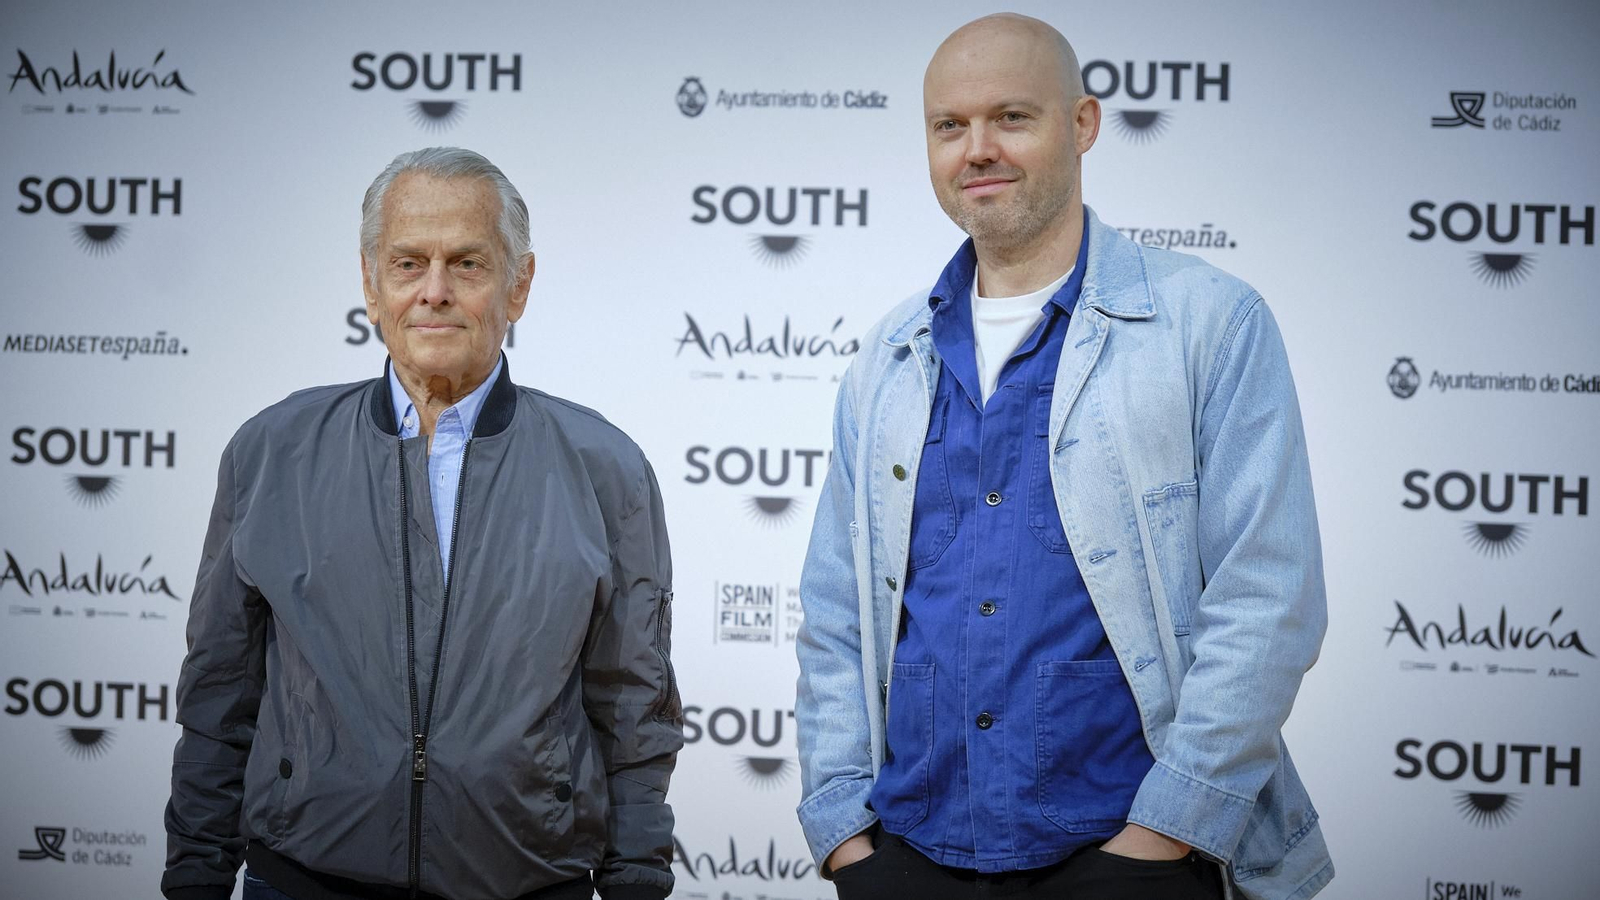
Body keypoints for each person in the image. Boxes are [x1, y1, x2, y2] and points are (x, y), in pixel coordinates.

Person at [793, 14, 1331, 900]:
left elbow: (1268, 598)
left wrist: (1162, 839)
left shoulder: (1210, 324)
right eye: (948, 126)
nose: (977, 150)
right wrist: (847, 838)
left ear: (1083, 124)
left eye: (1011, 117)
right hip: (911, 858)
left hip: (1129, 860)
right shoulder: (889, 356)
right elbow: (836, 611)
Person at [161, 147, 682, 900]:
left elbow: (634, 709)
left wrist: (635, 884)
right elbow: (218, 695)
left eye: (467, 263)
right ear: (371, 285)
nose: (434, 292)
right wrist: (195, 879)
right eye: (408, 264)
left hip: (531, 885)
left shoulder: (605, 467)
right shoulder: (272, 452)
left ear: (519, 285)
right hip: (301, 880)